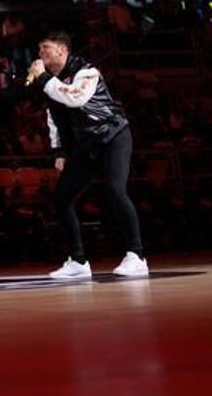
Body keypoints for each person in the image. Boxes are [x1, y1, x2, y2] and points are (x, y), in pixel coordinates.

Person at [26, 31, 148, 280]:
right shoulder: (51, 82)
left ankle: (137, 256)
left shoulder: (86, 72)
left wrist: (44, 79)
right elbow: (54, 117)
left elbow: (75, 98)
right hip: (88, 144)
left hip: (113, 135)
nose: (40, 54)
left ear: (61, 50)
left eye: (45, 48)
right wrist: (59, 152)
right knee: (61, 198)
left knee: (115, 189)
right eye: (39, 49)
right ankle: (78, 261)